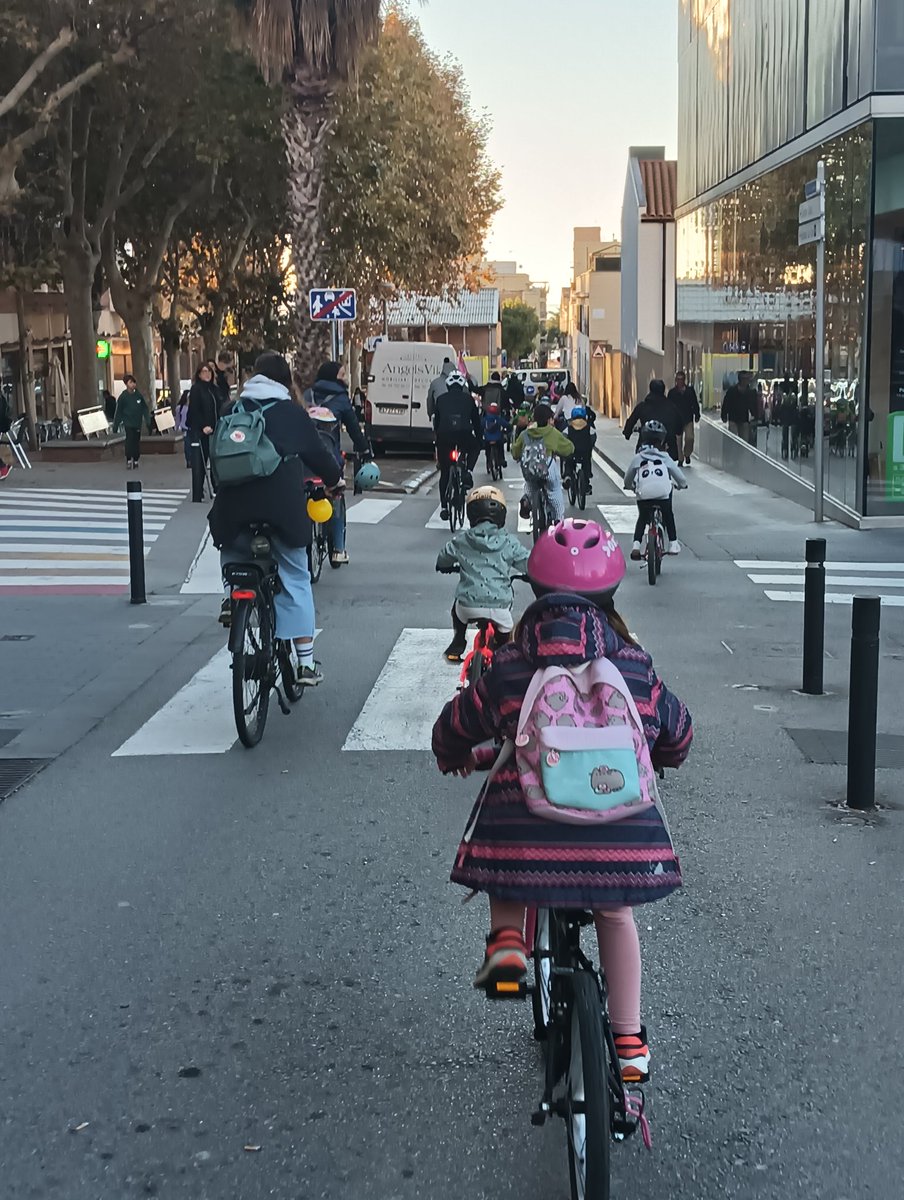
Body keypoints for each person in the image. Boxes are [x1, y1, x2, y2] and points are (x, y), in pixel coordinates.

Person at [432, 517, 693, 1082]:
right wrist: (664, 755)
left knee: (507, 848)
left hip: (531, 840)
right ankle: (628, 1043)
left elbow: (459, 722)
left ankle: (506, 943)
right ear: (611, 594)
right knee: (615, 912)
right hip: (619, 841)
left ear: (534, 592)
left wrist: (451, 752)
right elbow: (677, 730)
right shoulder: (633, 663)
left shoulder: (511, 665)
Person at [208, 352, 342, 687]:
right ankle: (305, 664)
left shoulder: (232, 410)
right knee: (296, 575)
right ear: (285, 381)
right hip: (281, 509)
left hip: (233, 509)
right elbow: (318, 455)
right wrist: (335, 480)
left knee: (233, 548)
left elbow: (216, 460)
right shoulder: (291, 413)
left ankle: (232, 593)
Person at [435, 485, 529, 662]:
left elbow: (443, 557)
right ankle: (501, 658)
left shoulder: (462, 540)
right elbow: (528, 563)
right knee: (505, 644)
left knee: (457, 610)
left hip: (467, 606)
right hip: (499, 607)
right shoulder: (509, 542)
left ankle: (458, 641)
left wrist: (444, 565)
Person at [305, 361, 371, 566]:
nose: (345, 377)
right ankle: (338, 549)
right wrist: (365, 449)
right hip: (329, 458)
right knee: (336, 496)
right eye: (342, 374)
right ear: (334, 377)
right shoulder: (341, 399)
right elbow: (353, 428)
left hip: (304, 456)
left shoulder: (307, 395)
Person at [624, 420, 687, 557]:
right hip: (663, 497)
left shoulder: (638, 458)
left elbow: (628, 478)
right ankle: (673, 543)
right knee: (668, 515)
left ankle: (636, 545)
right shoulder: (665, 457)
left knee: (642, 517)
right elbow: (680, 478)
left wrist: (629, 486)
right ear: (662, 440)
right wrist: (682, 485)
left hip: (644, 495)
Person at [512, 401, 574, 522]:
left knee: (530, 485)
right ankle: (558, 519)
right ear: (548, 419)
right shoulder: (552, 433)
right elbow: (569, 448)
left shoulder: (525, 433)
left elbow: (515, 451)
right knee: (555, 490)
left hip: (530, 469)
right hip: (548, 468)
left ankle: (527, 500)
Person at [433, 369, 482, 521]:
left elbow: (437, 422)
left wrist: (437, 437)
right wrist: (480, 439)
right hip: (463, 436)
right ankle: (468, 471)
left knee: (445, 472)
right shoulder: (469, 400)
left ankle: (443, 507)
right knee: (475, 447)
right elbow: (476, 422)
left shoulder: (440, 399)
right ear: (462, 386)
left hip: (444, 438)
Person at [623, 380, 681, 462]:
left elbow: (631, 421)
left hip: (645, 446)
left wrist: (627, 433)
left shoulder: (643, 406)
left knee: (638, 464)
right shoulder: (671, 407)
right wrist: (677, 431)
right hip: (668, 446)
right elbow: (679, 424)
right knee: (671, 466)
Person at [112, 375, 153, 469]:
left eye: (134, 382)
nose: (133, 384)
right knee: (129, 440)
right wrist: (116, 425)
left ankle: (136, 459)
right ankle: (129, 458)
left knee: (136, 441)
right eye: (131, 382)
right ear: (126, 384)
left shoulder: (138, 396)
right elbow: (118, 411)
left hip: (137, 423)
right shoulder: (123, 397)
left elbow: (144, 408)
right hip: (128, 423)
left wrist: (148, 420)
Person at [187, 363, 221, 465]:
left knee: (216, 465)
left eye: (209, 371)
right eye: (204, 372)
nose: (207, 374)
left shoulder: (214, 389)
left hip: (215, 431)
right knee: (200, 465)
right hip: (201, 432)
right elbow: (194, 410)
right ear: (199, 374)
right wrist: (203, 426)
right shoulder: (196, 389)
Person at [666, 371, 700, 466]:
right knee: (678, 441)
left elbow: (695, 403)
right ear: (676, 380)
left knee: (690, 438)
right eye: (678, 379)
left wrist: (697, 414)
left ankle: (687, 454)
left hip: (688, 418)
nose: (679, 381)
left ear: (684, 380)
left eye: (681, 379)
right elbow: (668, 406)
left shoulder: (689, 391)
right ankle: (680, 459)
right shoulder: (672, 393)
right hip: (676, 420)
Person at [562, 402, 596, 495]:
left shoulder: (568, 428)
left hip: (572, 452)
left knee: (568, 462)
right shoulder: (589, 427)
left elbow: (563, 437)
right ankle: (587, 481)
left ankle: (568, 476)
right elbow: (593, 437)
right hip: (584, 452)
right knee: (586, 463)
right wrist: (590, 447)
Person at [721, 372, 758, 442]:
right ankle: (733, 451)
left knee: (744, 441)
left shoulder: (749, 392)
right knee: (733, 440)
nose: (747, 381)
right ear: (741, 380)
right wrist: (724, 415)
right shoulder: (732, 391)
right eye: (745, 379)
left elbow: (752, 405)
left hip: (744, 419)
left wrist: (755, 416)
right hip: (733, 418)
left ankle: (742, 452)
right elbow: (726, 404)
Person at [481, 402, 509, 472]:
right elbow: (506, 425)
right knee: (500, 448)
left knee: (487, 451)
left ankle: (488, 461)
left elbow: (480, 426)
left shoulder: (485, 419)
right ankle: (502, 460)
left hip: (487, 439)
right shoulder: (498, 418)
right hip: (498, 438)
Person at [214, 352, 234, 416]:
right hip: (219, 397)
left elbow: (230, 384)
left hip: (224, 396)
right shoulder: (215, 372)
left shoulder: (228, 372)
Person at [175, 389, 191, 467]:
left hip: (193, 427)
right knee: (187, 444)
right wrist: (177, 427)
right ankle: (188, 460)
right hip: (185, 428)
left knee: (193, 445)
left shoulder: (194, 407)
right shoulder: (180, 408)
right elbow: (178, 418)